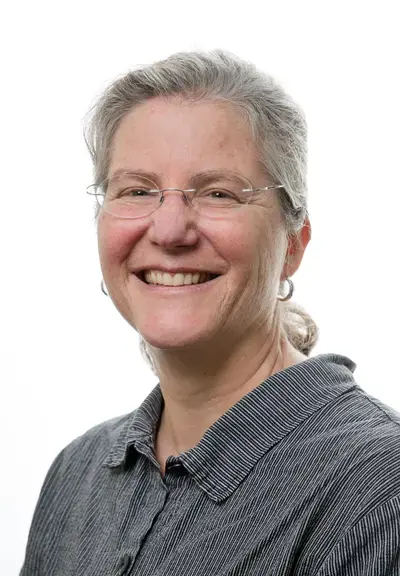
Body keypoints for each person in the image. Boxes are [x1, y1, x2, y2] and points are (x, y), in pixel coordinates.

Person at [20, 50, 400, 576]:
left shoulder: (378, 490)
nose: (170, 229)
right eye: (136, 190)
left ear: (294, 243)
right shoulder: (77, 473)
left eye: (218, 193)